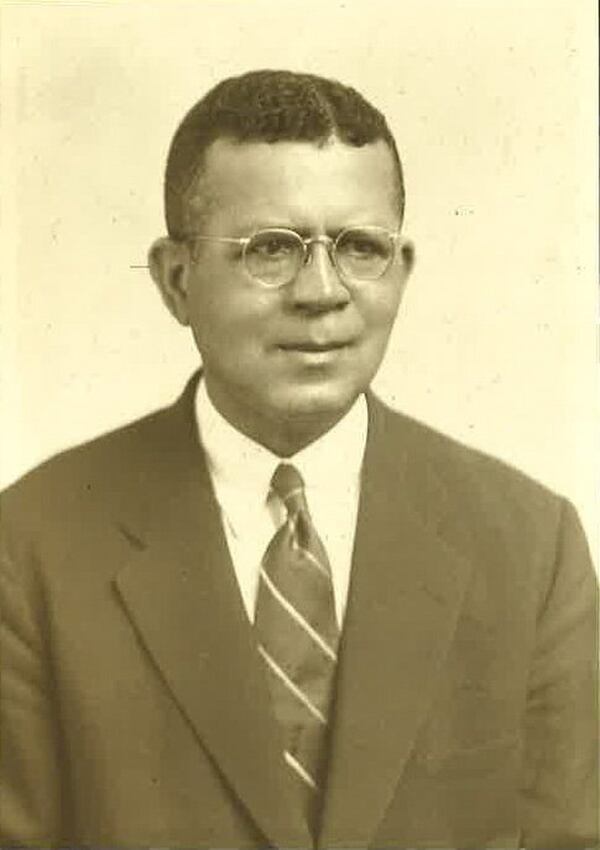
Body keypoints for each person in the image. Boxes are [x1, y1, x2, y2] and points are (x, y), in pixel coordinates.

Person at [0, 69, 597, 850]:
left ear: (402, 270)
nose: (322, 292)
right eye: (271, 249)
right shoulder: (32, 544)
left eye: (360, 248)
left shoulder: (531, 546)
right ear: (177, 280)